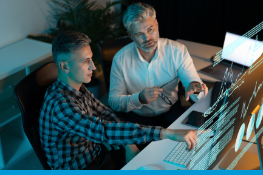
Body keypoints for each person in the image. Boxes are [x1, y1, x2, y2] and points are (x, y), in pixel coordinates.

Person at [39, 31, 199, 170]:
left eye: (91, 59)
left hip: (100, 156)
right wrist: (167, 133)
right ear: (64, 67)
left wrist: (128, 144)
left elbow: (105, 113)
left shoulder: (77, 88)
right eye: (85, 61)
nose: (93, 67)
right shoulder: (60, 105)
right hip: (85, 166)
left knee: (157, 160)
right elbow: (102, 130)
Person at [108, 2, 208, 150]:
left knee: (192, 147)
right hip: (138, 119)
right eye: (139, 34)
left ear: (157, 24)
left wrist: (196, 88)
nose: (147, 38)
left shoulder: (177, 51)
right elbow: (114, 102)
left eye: (150, 30)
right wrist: (139, 98)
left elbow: (197, 95)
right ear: (130, 35)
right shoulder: (120, 59)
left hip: (171, 113)